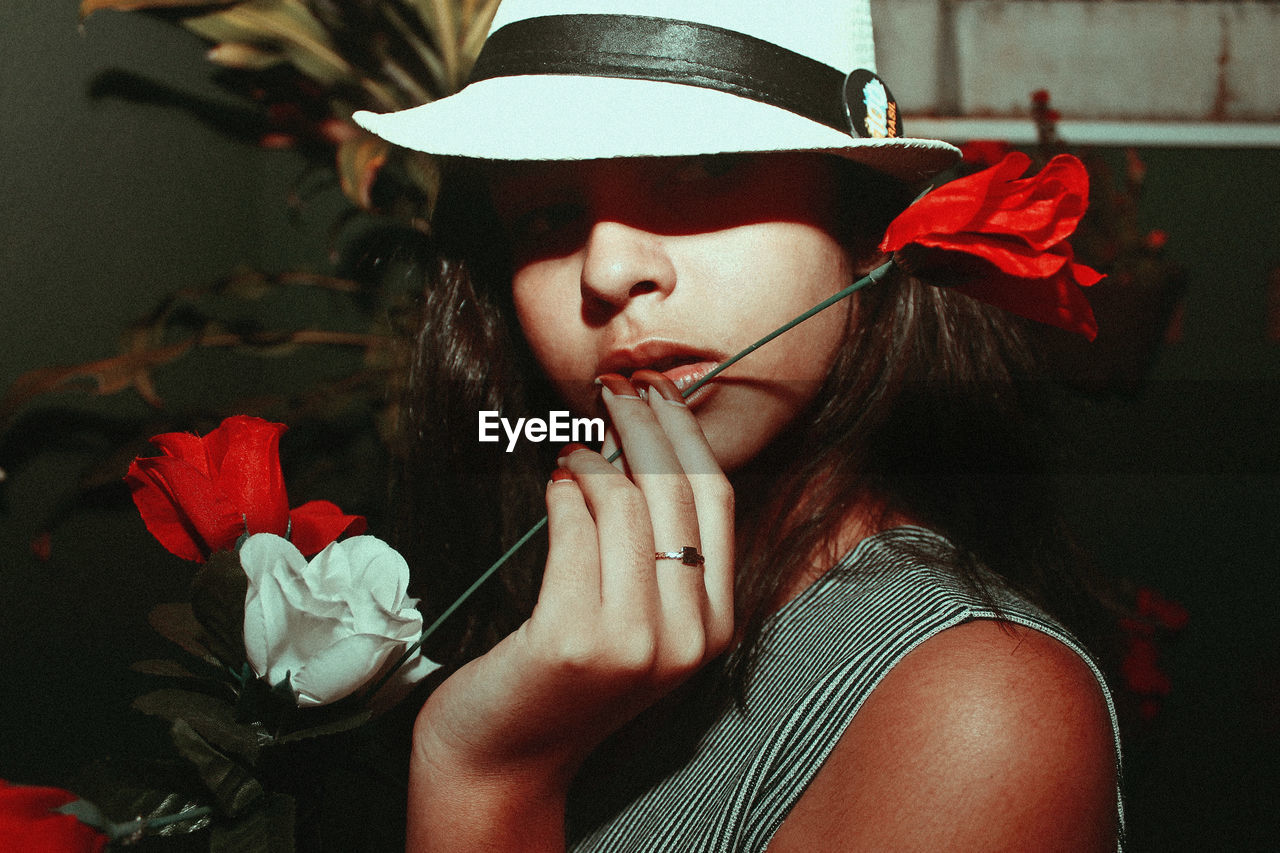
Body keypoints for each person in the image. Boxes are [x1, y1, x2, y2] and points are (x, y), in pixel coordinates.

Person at [356, 0, 1124, 849]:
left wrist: (489, 776)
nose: (607, 269)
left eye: (704, 167)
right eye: (545, 215)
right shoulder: (547, 609)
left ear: (864, 224)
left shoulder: (978, 712)